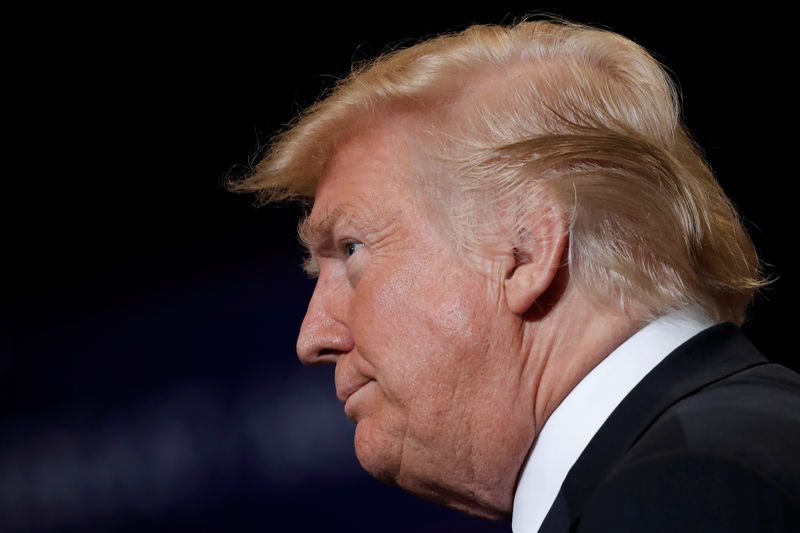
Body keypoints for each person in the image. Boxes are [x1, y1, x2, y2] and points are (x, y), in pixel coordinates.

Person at [230, 18, 800, 532]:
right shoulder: (719, 453)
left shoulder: (689, 489)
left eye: (352, 249)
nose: (312, 338)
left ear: (525, 252)